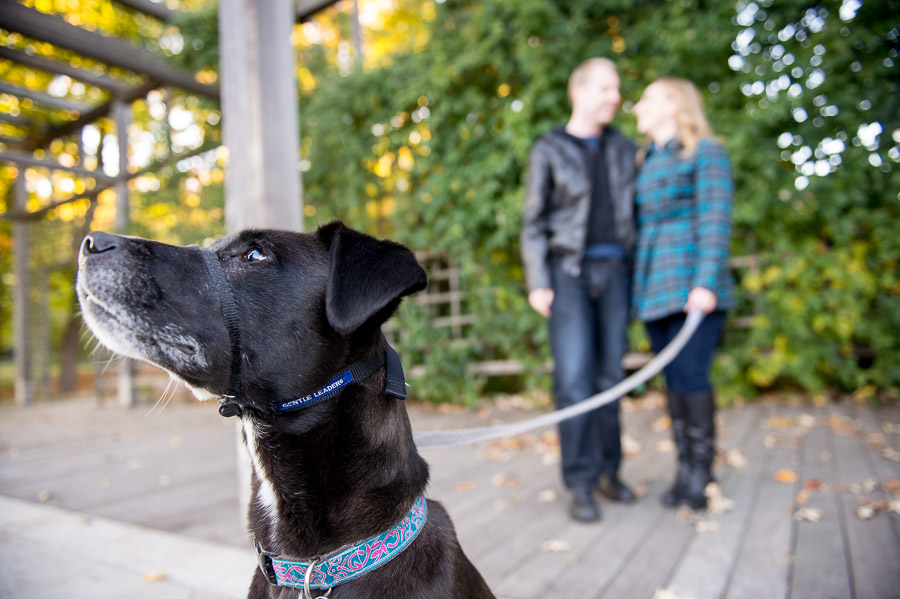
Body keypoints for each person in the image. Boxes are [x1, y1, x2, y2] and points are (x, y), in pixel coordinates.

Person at [521, 57, 638, 523]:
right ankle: (581, 481)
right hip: (566, 273)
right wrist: (537, 282)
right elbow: (532, 222)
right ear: (580, 91)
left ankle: (610, 472)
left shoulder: (626, 148)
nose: (615, 97)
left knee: (611, 377)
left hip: (616, 272)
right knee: (574, 379)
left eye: (617, 90)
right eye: (607, 89)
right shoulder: (548, 148)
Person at [631, 77, 734, 510]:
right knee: (673, 384)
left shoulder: (705, 152)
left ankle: (700, 472)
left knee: (691, 378)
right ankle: (687, 467)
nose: (637, 106)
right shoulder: (646, 160)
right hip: (655, 288)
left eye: (647, 98)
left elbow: (715, 219)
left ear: (674, 105)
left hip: (693, 288)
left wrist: (706, 283)